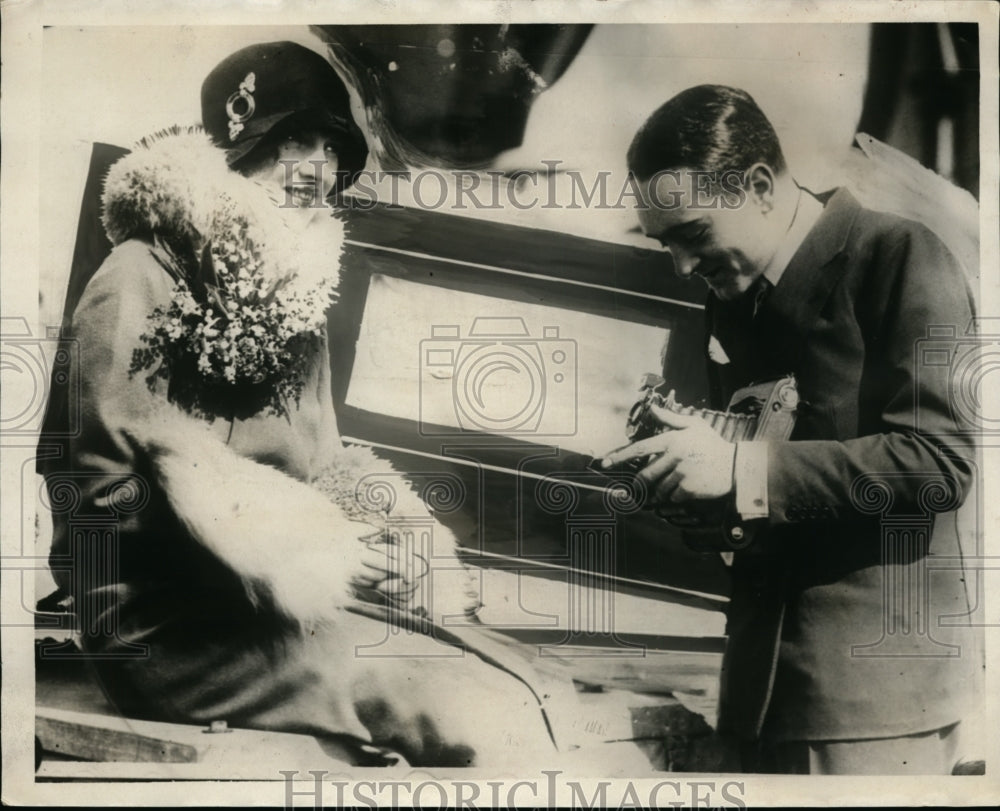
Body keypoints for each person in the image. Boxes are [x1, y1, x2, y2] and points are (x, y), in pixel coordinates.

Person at [38, 41, 631, 769]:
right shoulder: (136, 275)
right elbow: (94, 489)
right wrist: (296, 549)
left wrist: (380, 546)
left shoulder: (296, 297)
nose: (315, 168)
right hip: (170, 625)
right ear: (236, 143)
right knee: (468, 707)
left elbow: (322, 463)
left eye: (330, 147)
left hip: (288, 604)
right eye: (293, 139)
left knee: (525, 681)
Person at [602, 84, 980, 774]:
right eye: (666, 246)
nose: (683, 267)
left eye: (692, 235)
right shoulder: (734, 295)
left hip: (871, 703)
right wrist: (684, 479)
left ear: (758, 186)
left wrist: (741, 469)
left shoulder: (899, 256)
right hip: (757, 695)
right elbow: (762, 499)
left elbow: (939, 463)